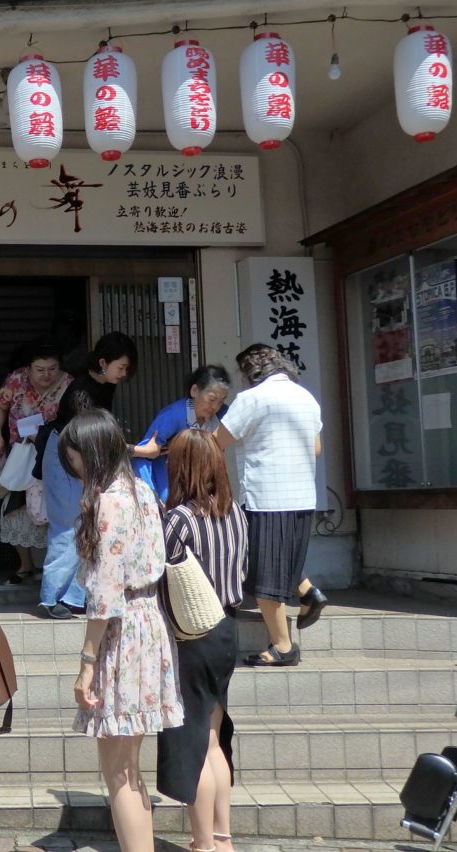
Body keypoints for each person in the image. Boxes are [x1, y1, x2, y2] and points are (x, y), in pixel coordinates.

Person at [59, 408, 182, 852]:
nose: (72, 466)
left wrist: (86, 664)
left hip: (122, 631)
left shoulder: (109, 501)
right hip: (149, 623)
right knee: (130, 765)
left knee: (119, 770)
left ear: (90, 453)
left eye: (74, 457)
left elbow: (105, 593)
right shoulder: (142, 491)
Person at [155, 429, 249, 852]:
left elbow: (161, 575)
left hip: (192, 636)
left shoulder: (179, 519)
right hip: (227, 630)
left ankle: (203, 842)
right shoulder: (237, 513)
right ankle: (222, 838)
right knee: (213, 739)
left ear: (181, 466)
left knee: (194, 743)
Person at [216, 343, 326, 667]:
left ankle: (283, 646)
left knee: (264, 573)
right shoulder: (306, 397)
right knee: (279, 560)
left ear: (249, 372)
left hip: (267, 497)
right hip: (303, 497)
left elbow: (219, 441)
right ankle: (307, 591)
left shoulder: (252, 399)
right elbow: (316, 448)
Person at [40, 331, 138, 618]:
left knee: (85, 523)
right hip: (66, 456)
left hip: (85, 457)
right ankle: (52, 597)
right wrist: (136, 451)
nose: (124, 374)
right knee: (67, 525)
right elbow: (91, 435)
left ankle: (74, 597)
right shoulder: (81, 391)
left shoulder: (105, 384)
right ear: (103, 363)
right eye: (121, 367)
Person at [0, 338, 72, 584]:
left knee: (52, 507)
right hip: (20, 452)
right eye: (40, 369)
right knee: (15, 506)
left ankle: (53, 566)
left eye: (52, 369)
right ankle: (25, 565)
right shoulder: (16, 380)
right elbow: (0, 407)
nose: (46, 375)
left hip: (54, 452)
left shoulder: (69, 384)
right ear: (28, 368)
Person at [132, 365, 232, 504]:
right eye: (211, 399)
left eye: (221, 401)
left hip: (202, 482)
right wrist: (151, 495)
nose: (215, 406)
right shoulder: (173, 416)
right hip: (168, 483)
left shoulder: (223, 415)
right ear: (194, 390)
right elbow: (144, 455)